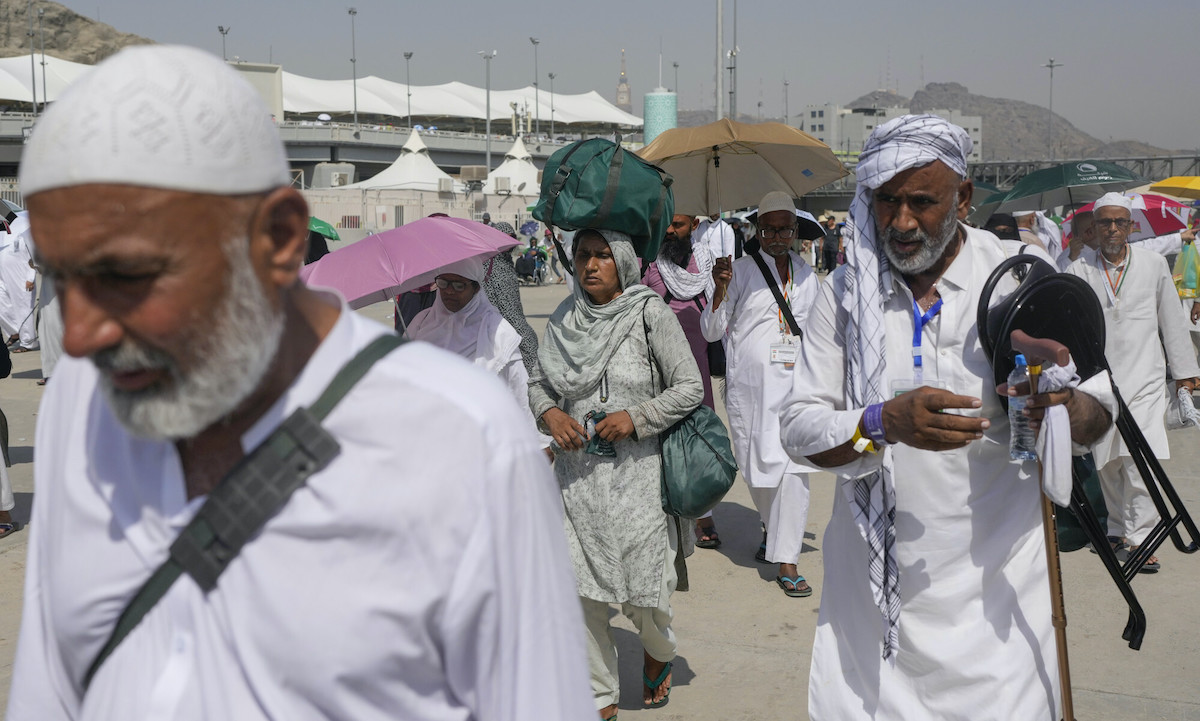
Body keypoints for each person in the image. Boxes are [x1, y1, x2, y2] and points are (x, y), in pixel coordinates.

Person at [6, 45, 595, 721]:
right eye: (62, 276)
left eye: (126, 275)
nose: (79, 335)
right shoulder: (80, 405)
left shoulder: (464, 442)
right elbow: (48, 683)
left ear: (279, 238)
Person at [778, 114, 1115, 720]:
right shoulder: (845, 295)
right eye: (885, 201)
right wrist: (879, 423)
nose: (901, 222)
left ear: (963, 197)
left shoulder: (1021, 279)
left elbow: (1101, 414)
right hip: (872, 607)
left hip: (998, 611)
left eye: (921, 202)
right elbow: (799, 430)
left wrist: (1060, 405)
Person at [529, 228, 703, 720]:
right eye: (582, 255)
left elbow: (690, 386)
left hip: (640, 481)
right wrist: (552, 415)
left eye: (602, 255)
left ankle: (658, 653)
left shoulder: (650, 313)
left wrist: (636, 418)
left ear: (622, 261)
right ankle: (599, 698)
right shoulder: (564, 318)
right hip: (578, 481)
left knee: (649, 600)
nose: (589, 265)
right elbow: (540, 383)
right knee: (582, 599)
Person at [1066, 192, 1200, 572]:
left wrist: (1185, 378)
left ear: (1131, 226)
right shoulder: (1079, 270)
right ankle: (1117, 527)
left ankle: (1141, 539)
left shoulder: (1154, 264)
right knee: (1106, 460)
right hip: (1097, 382)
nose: (1112, 229)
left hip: (1145, 378)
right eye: (1104, 222)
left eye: (1119, 222)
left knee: (1141, 458)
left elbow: (1172, 321)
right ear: (1093, 227)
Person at [700, 191, 821, 598]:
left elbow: (820, 334)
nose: (775, 236)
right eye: (767, 228)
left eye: (784, 228)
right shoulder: (737, 272)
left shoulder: (808, 276)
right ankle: (773, 530)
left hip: (798, 390)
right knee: (758, 468)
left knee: (794, 470)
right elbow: (711, 331)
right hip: (750, 393)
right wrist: (718, 290)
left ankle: (787, 561)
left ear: (796, 231)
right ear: (757, 230)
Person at [406, 256, 548, 449]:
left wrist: (540, 443)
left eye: (459, 285)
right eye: (443, 282)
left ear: (476, 288)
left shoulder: (497, 332)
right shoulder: (421, 324)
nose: (449, 291)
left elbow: (519, 389)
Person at [642, 213, 720, 547]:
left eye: (680, 225)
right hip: (658, 369)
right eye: (667, 225)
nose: (671, 231)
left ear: (695, 225)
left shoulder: (710, 267)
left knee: (699, 440)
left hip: (698, 368)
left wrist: (724, 284)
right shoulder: (649, 266)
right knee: (658, 441)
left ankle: (704, 515)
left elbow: (722, 319)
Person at [480, 221, 541, 375]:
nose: (508, 243)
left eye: (511, 238)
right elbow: (509, 310)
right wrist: (525, 335)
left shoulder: (502, 262)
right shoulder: (496, 266)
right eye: (504, 238)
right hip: (499, 326)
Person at [0, 211, 37, 352]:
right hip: (3, 274)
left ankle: (28, 341)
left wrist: (30, 277)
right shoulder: (3, 229)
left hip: (21, 274)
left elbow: (34, 254)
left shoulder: (24, 223)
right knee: (2, 305)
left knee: (23, 307)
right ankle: (14, 332)